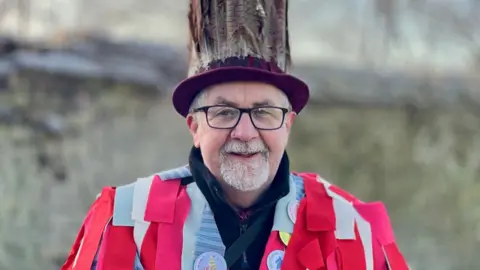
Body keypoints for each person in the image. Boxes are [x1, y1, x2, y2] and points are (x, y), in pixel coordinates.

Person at [61, 0, 410, 269]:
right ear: (194, 127)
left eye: (264, 112)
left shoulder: (353, 228)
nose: (245, 132)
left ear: (288, 124)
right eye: (224, 112)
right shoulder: (125, 220)